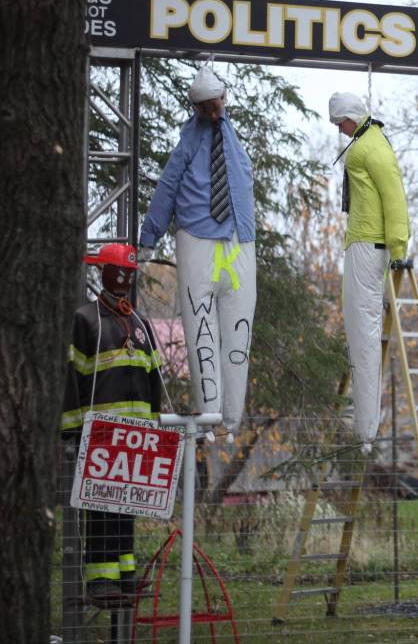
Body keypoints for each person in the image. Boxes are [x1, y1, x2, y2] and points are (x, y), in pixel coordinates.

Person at [140, 66, 256, 440]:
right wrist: (150, 235)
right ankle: (209, 415)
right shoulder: (190, 140)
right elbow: (168, 185)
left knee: (239, 333)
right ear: (197, 107)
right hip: (199, 236)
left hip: (237, 239)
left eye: (217, 104)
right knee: (201, 331)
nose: (213, 112)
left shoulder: (231, 135)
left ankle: (232, 418)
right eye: (206, 107)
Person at [62, 244, 161, 603]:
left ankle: (124, 574)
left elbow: (154, 381)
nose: (124, 281)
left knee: (128, 506)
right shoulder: (85, 320)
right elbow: (71, 378)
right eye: (118, 273)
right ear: (102, 272)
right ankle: (100, 580)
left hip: (136, 437)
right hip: (102, 434)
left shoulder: (140, 324)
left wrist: (153, 429)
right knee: (101, 507)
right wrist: (72, 430)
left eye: (130, 275)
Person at [328, 92, 410, 449]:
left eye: (340, 122)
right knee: (361, 329)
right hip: (364, 240)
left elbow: (394, 195)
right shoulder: (370, 142)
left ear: (351, 116)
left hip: (368, 242)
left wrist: (398, 246)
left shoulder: (371, 146)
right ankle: (365, 423)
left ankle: (366, 426)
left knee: (363, 329)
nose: (340, 130)